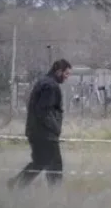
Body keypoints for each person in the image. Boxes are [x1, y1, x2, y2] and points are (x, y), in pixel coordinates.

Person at [8, 59, 72, 189]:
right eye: (66, 74)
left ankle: (15, 184)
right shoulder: (51, 86)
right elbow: (44, 111)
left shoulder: (43, 82)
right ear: (58, 71)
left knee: (40, 162)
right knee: (55, 166)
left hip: (35, 131)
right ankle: (55, 196)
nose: (67, 77)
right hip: (45, 134)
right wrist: (55, 129)